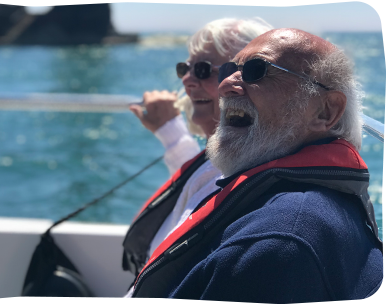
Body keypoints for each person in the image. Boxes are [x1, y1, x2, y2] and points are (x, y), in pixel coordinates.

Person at [127, 28, 386, 304]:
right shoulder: (302, 209)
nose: (225, 85)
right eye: (228, 69)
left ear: (326, 111)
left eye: (257, 70)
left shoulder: (276, 243)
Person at [119, 18, 273, 304]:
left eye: (203, 70)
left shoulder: (243, 179)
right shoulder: (223, 164)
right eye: (184, 69)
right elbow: (201, 179)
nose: (187, 79)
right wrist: (169, 130)